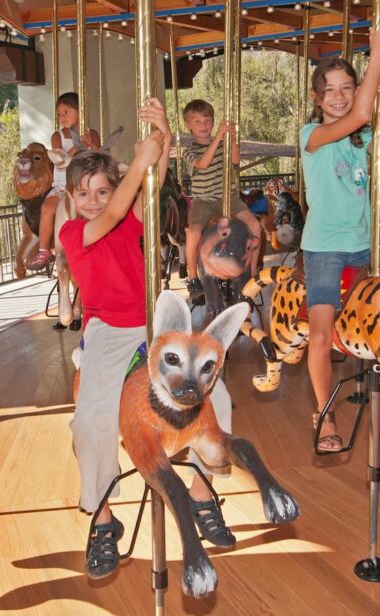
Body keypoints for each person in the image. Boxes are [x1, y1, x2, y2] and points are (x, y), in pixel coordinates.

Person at [59, 98, 237, 579]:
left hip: (151, 326)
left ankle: (202, 493)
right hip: (108, 331)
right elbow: (114, 211)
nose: (93, 200)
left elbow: (149, 187)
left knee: (214, 395)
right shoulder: (76, 234)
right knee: (91, 423)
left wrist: (159, 135)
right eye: (84, 194)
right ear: (72, 200)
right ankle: (101, 518)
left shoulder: (130, 219)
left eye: (102, 190)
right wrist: (135, 163)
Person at [300, 22, 380, 453]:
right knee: (320, 334)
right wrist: (378, 51)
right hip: (325, 247)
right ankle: (324, 412)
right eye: (329, 89)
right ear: (317, 99)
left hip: (366, 243)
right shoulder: (310, 136)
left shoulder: (363, 137)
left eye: (347, 87)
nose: (338, 94)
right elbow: (359, 115)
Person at [181, 99, 262, 305]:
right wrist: (218, 137)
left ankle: (252, 273)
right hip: (204, 201)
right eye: (197, 121)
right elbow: (202, 163)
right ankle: (193, 278)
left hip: (230, 196)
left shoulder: (223, 144)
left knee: (254, 225)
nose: (203, 125)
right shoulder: (188, 151)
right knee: (193, 232)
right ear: (188, 125)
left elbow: (235, 161)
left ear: (213, 121)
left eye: (207, 120)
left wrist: (232, 139)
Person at [26, 92, 102, 271]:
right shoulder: (57, 136)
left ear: (79, 111)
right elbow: (60, 160)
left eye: (66, 112)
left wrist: (92, 144)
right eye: (59, 114)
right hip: (63, 185)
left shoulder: (92, 133)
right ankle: (44, 249)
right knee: (47, 208)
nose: (62, 117)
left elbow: (99, 156)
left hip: (87, 185)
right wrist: (78, 146)